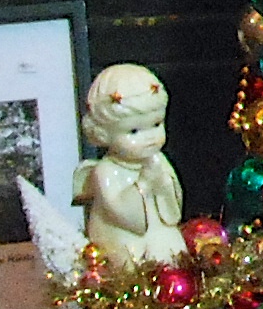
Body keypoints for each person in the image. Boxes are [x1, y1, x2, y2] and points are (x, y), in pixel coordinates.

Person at [76, 64, 185, 270]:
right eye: (134, 131)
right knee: (132, 263)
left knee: (172, 252)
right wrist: (144, 184)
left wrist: (163, 184)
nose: (150, 137)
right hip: (125, 238)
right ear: (103, 134)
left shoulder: (158, 160)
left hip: (160, 232)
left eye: (156, 124)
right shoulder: (106, 171)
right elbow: (123, 214)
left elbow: (173, 209)